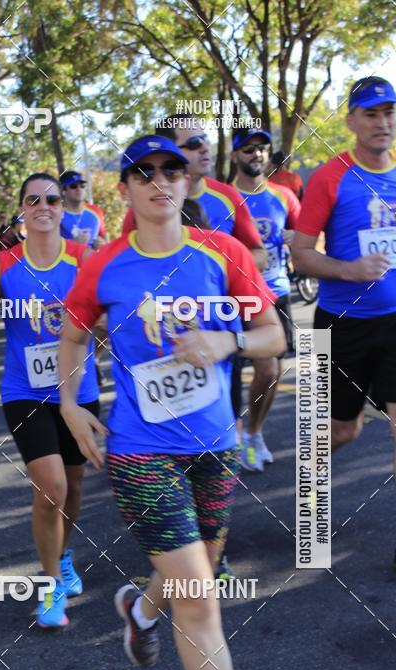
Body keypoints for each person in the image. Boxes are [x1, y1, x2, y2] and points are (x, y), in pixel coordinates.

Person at [58, 136, 285, 670]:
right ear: (126, 189)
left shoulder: (224, 254)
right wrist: (72, 407)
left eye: (172, 171)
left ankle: (140, 611)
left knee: (198, 570)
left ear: (188, 184)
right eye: (144, 172)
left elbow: (274, 334)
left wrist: (228, 338)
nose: (161, 181)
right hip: (139, 449)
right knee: (201, 596)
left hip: (214, 444)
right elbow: (73, 335)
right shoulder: (105, 266)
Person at [0, 173, 99, 629]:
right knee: (52, 488)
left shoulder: (85, 260)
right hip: (24, 392)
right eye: (33, 199)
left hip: (80, 391)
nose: (43, 205)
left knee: (74, 489)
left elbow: (108, 324)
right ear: (22, 210)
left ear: (64, 207)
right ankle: (50, 586)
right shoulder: (2, 266)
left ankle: (63, 556)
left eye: (52, 199)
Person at [292, 76, 396, 572]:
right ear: (352, 121)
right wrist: (346, 270)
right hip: (334, 325)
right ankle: (309, 512)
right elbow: (299, 256)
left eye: (389, 113)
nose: (382, 123)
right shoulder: (328, 177)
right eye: (372, 114)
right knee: (336, 431)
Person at [232, 128, 301, 471]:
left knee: (275, 371)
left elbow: (306, 234)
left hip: (279, 289)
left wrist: (296, 236)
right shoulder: (225, 198)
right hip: (242, 296)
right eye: (247, 149)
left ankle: (254, 434)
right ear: (234, 155)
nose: (256, 154)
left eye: (261, 148)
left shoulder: (284, 196)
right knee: (264, 367)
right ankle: (238, 437)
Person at [121, 121, 266, 269]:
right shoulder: (141, 211)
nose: (205, 148)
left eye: (205, 139)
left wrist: (217, 270)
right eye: (194, 143)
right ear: (169, 152)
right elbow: (129, 265)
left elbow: (259, 253)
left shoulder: (228, 196)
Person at [60, 171, 107, 249]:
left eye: (82, 186)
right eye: (73, 186)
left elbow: (104, 238)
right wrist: (72, 243)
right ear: (63, 191)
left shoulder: (95, 211)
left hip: (93, 260)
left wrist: (101, 244)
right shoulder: (56, 214)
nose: (79, 189)